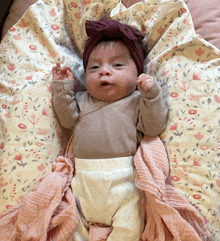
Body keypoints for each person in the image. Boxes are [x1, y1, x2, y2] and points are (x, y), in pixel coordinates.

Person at [52, 17, 168, 241]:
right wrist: (62, 87)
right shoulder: (83, 100)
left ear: (137, 74)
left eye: (117, 65)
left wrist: (151, 95)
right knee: (72, 225)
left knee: (130, 226)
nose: (104, 72)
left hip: (124, 181)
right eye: (94, 67)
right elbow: (66, 120)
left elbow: (153, 127)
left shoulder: (135, 101)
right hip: (83, 181)